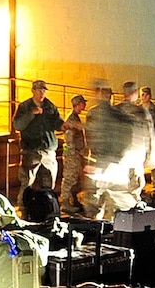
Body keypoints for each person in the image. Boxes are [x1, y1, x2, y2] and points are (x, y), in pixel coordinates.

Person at [78, 84, 142, 220]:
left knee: (99, 198)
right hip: (109, 161)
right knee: (106, 198)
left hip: (106, 161)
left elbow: (91, 135)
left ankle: (101, 225)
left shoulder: (108, 114)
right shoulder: (116, 114)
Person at [12, 80, 63, 196]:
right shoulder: (25, 107)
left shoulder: (50, 106)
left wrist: (63, 125)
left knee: (49, 184)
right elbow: (17, 125)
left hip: (48, 151)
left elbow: (57, 122)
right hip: (31, 151)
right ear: (33, 91)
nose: (42, 93)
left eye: (44, 91)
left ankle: (47, 207)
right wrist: (31, 114)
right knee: (27, 183)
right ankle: (24, 209)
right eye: (39, 90)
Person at [59, 94, 90, 215]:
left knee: (75, 178)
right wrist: (74, 153)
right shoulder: (71, 119)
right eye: (83, 103)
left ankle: (73, 200)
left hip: (76, 154)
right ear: (78, 104)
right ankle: (65, 202)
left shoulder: (75, 117)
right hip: (72, 155)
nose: (85, 105)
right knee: (69, 178)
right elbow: (69, 138)